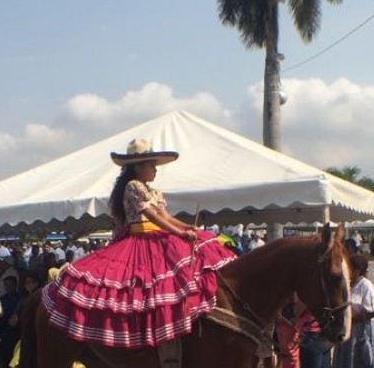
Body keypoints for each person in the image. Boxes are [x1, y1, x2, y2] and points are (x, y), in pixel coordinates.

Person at [42, 139, 235, 348]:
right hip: (140, 238)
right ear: (138, 167)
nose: (155, 169)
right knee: (140, 287)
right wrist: (179, 233)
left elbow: (165, 216)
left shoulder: (154, 191)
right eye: (151, 165)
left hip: (157, 236)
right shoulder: (133, 186)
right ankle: (140, 336)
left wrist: (187, 227)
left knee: (170, 279)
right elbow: (151, 216)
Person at [272, 294, 302, 368]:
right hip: (285, 320)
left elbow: (298, 302)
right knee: (287, 356)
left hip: (289, 321)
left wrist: (294, 318)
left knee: (290, 355)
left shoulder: (295, 291)